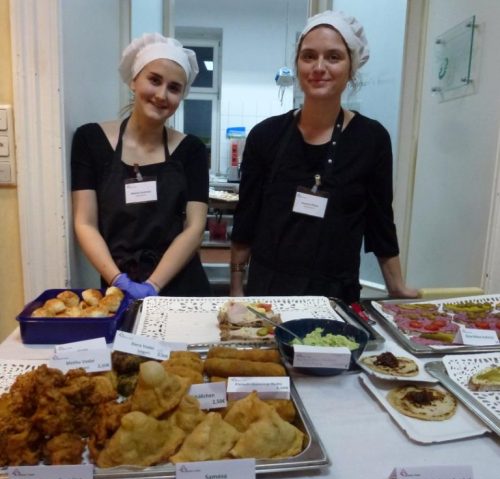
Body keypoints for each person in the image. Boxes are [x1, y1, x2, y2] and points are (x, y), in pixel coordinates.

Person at [230, 11, 418, 304]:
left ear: (352, 67)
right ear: (297, 64)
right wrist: (236, 289)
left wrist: (396, 285)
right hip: (267, 292)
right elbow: (246, 220)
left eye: (333, 57)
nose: (319, 67)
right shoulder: (265, 135)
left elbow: (380, 222)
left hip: (336, 295)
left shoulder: (371, 139)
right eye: (309, 56)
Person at [71, 33, 210, 299]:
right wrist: (118, 281)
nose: (161, 95)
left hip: (181, 287)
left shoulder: (190, 150)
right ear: (134, 80)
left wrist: (153, 285)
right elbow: (85, 222)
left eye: (174, 88)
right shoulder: (91, 140)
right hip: (118, 288)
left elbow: (194, 229)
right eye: (154, 80)